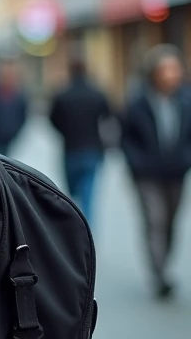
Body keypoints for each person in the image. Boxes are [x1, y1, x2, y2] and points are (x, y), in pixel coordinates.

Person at [121, 44, 191, 300]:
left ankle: (164, 264)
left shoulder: (185, 100)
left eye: (175, 69)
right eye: (166, 69)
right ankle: (159, 274)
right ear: (154, 73)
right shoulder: (138, 102)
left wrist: (185, 158)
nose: (171, 74)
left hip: (176, 173)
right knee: (155, 220)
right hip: (147, 175)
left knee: (171, 223)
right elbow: (125, 136)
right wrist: (136, 162)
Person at [48, 57, 114, 225]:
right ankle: (87, 227)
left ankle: (77, 225)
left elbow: (53, 120)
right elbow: (108, 117)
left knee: (73, 192)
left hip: (71, 149)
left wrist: (65, 132)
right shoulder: (97, 94)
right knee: (89, 194)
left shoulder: (62, 95)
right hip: (92, 149)